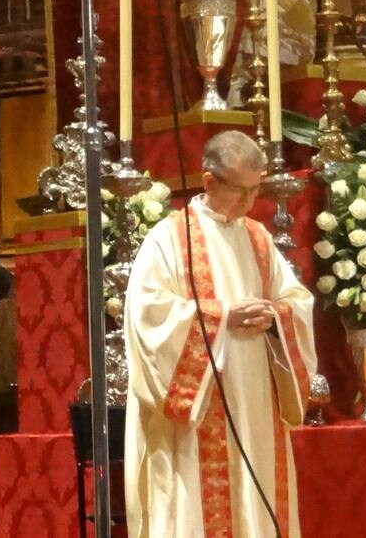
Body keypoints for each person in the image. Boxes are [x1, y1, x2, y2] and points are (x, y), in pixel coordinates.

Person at [124, 131, 317, 537]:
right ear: (209, 181)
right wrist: (221, 318)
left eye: (256, 189)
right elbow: (148, 317)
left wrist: (276, 317)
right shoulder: (168, 239)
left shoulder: (259, 238)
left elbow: (295, 300)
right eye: (239, 190)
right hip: (200, 412)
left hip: (256, 405)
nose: (250, 202)